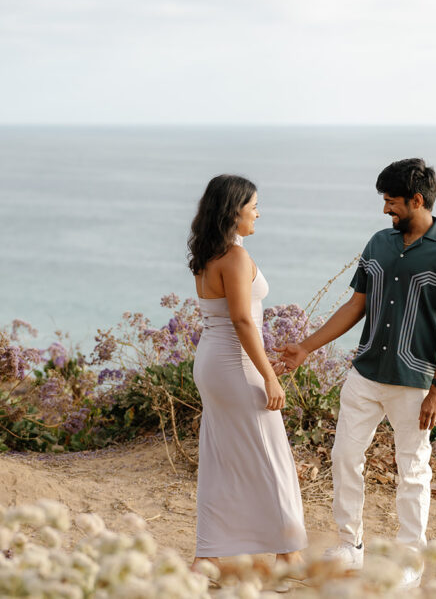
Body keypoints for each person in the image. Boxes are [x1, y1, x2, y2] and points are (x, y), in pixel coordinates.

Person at [277, 158, 436, 590]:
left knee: (413, 470)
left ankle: (409, 559)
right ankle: (351, 545)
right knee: (345, 458)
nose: (386, 210)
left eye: (392, 202)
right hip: (365, 375)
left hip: (415, 382)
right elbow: (355, 305)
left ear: (416, 200)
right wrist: (306, 347)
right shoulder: (378, 244)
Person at [188, 174, 307, 578]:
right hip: (233, 364)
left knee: (221, 459)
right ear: (233, 210)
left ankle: (207, 558)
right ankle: (289, 556)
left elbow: (230, 319)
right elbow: (241, 319)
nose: (258, 212)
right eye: (253, 205)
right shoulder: (236, 258)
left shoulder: (208, 255)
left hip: (213, 363)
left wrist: (258, 367)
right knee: (271, 458)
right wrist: (268, 377)